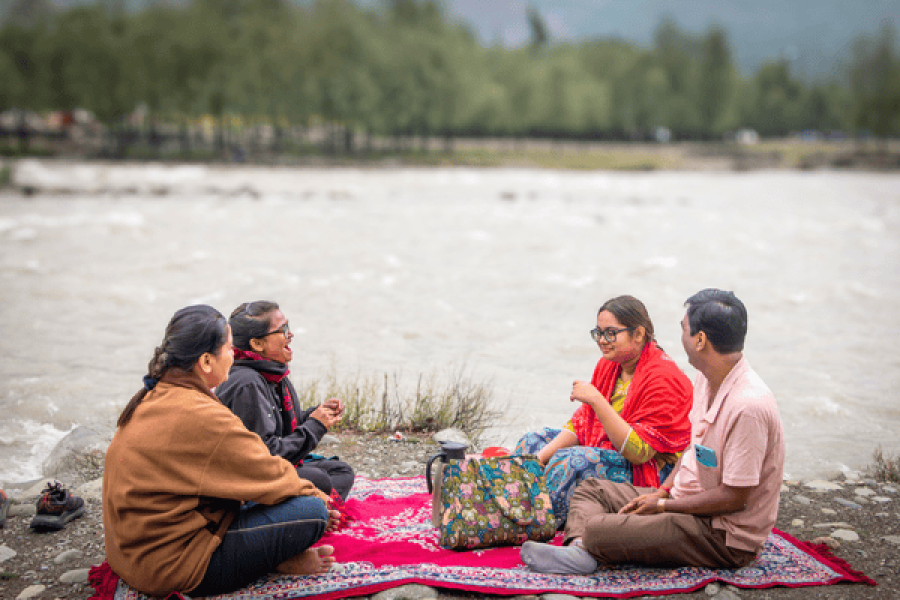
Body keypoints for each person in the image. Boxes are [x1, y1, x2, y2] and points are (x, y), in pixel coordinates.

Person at [520, 289, 785, 573]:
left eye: (683, 329)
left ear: (700, 340)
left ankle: (584, 543)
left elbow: (734, 498)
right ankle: (580, 551)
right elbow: (692, 452)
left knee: (597, 527)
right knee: (590, 490)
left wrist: (662, 506)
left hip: (722, 533)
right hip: (684, 499)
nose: (678, 337)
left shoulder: (747, 407)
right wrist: (663, 492)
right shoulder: (707, 380)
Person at [103, 305, 337, 597]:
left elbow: (251, 469)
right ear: (205, 361)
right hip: (174, 567)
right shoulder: (202, 413)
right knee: (312, 512)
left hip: (132, 556)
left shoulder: (156, 395)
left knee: (307, 485)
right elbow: (266, 468)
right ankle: (276, 563)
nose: (234, 355)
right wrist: (316, 498)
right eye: (228, 349)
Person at [515, 295, 693, 522]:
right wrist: (538, 458)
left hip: (654, 473)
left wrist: (598, 402)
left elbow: (640, 453)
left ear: (638, 334)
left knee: (572, 461)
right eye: (598, 333)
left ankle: (538, 522)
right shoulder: (609, 364)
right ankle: (513, 507)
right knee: (532, 441)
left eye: (611, 333)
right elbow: (582, 424)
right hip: (611, 449)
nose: (602, 340)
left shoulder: (663, 378)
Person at [216, 301, 355, 500]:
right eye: (283, 330)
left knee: (341, 471)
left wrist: (318, 414)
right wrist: (315, 425)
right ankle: (312, 513)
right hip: (249, 481)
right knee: (320, 480)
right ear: (257, 344)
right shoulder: (247, 384)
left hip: (275, 466)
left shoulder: (272, 373)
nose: (290, 335)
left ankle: (314, 509)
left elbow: (285, 426)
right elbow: (268, 458)